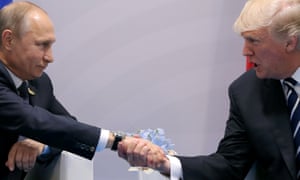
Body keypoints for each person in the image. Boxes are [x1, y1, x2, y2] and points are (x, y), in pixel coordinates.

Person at [118, 0, 300, 179]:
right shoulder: (247, 91)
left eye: (253, 41)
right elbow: (229, 166)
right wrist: (164, 163)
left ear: (290, 42)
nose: (245, 51)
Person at [0, 1, 161, 179]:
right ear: (9, 40)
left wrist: (42, 145)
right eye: (41, 45)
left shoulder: (39, 83)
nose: (50, 57)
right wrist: (115, 140)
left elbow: (66, 124)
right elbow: (33, 120)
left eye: (51, 45)